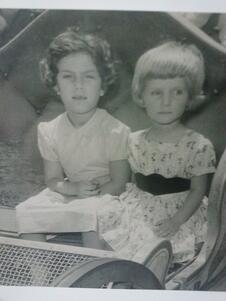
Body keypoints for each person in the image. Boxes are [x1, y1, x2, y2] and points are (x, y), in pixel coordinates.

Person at [98, 41, 216, 263]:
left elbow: (198, 191)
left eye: (177, 92)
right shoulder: (133, 140)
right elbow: (126, 182)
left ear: (190, 97)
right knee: (106, 223)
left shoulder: (199, 145)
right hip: (141, 209)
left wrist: (176, 221)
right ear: (141, 96)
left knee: (158, 252)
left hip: (179, 213)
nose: (166, 102)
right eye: (156, 92)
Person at [16, 28, 130, 249]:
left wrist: (86, 198)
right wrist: (72, 189)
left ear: (103, 85)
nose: (79, 85)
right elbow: (53, 180)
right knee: (26, 211)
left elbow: (119, 183)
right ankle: (41, 277)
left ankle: (96, 274)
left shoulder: (115, 130)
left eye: (88, 76)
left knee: (90, 215)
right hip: (73, 193)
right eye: (68, 77)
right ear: (56, 85)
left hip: (107, 197)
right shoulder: (49, 130)